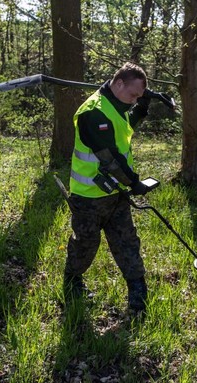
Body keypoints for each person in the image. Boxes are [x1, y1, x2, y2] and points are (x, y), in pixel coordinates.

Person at [63, 62, 155, 312]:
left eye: (138, 97)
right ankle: (72, 282)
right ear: (118, 83)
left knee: (127, 243)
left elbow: (124, 130)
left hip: (116, 195)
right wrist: (134, 183)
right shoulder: (92, 113)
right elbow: (109, 156)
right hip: (88, 198)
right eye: (133, 95)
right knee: (85, 245)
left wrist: (143, 106)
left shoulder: (119, 105)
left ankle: (138, 296)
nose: (135, 100)